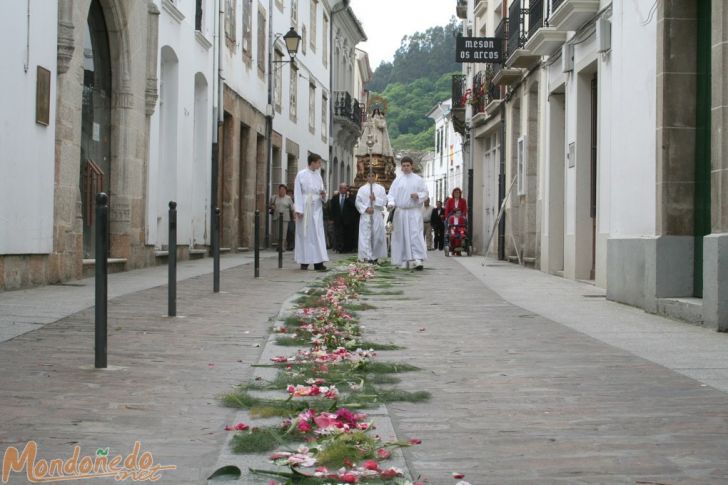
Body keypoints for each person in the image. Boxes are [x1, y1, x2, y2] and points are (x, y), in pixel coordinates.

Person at [386, 156, 429, 270]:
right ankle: (403, 260)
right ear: (401, 167)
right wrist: (391, 203)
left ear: (412, 166)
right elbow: (391, 194)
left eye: (408, 165)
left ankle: (418, 259)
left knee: (415, 234)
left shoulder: (418, 179)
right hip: (400, 212)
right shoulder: (397, 180)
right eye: (403, 166)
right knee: (401, 236)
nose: (405, 168)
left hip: (413, 211)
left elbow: (425, 193)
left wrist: (418, 195)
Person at [293, 153, 329, 271]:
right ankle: (304, 261)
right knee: (305, 234)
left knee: (317, 235)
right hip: (305, 206)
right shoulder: (301, 174)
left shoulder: (318, 176)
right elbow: (297, 192)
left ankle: (318, 261)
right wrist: (299, 209)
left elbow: (322, 190)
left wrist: (323, 195)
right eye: (318, 162)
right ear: (312, 162)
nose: (319, 165)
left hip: (317, 208)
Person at [355, 173, 387, 263]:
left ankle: (375, 256)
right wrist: (366, 209)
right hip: (366, 216)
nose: (371, 177)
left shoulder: (381, 188)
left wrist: (375, 199)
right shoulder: (362, 189)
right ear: (366, 177)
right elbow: (357, 202)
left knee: (376, 236)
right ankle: (367, 257)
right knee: (365, 236)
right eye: (369, 175)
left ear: (376, 177)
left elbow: (384, 201)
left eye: (373, 175)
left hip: (376, 214)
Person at [328, 183, 357, 253]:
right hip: (338, 219)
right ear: (340, 189)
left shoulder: (351, 197)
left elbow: (354, 206)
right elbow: (332, 208)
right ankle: (339, 248)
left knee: (347, 234)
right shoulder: (335, 197)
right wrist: (331, 218)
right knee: (338, 234)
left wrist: (348, 198)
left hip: (348, 220)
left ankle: (347, 248)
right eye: (342, 188)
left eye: (345, 188)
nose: (343, 190)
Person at [269, 184, 293, 250]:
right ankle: (278, 245)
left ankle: (282, 247)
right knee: (277, 232)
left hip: (285, 217)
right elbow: (270, 205)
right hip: (276, 216)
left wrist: (293, 217)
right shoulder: (274, 197)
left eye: (283, 190)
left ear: (285, 191)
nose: (281, 191)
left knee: (284, 232)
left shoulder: (288, 198)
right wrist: (272, 207)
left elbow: (292, 208)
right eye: (280, 189)